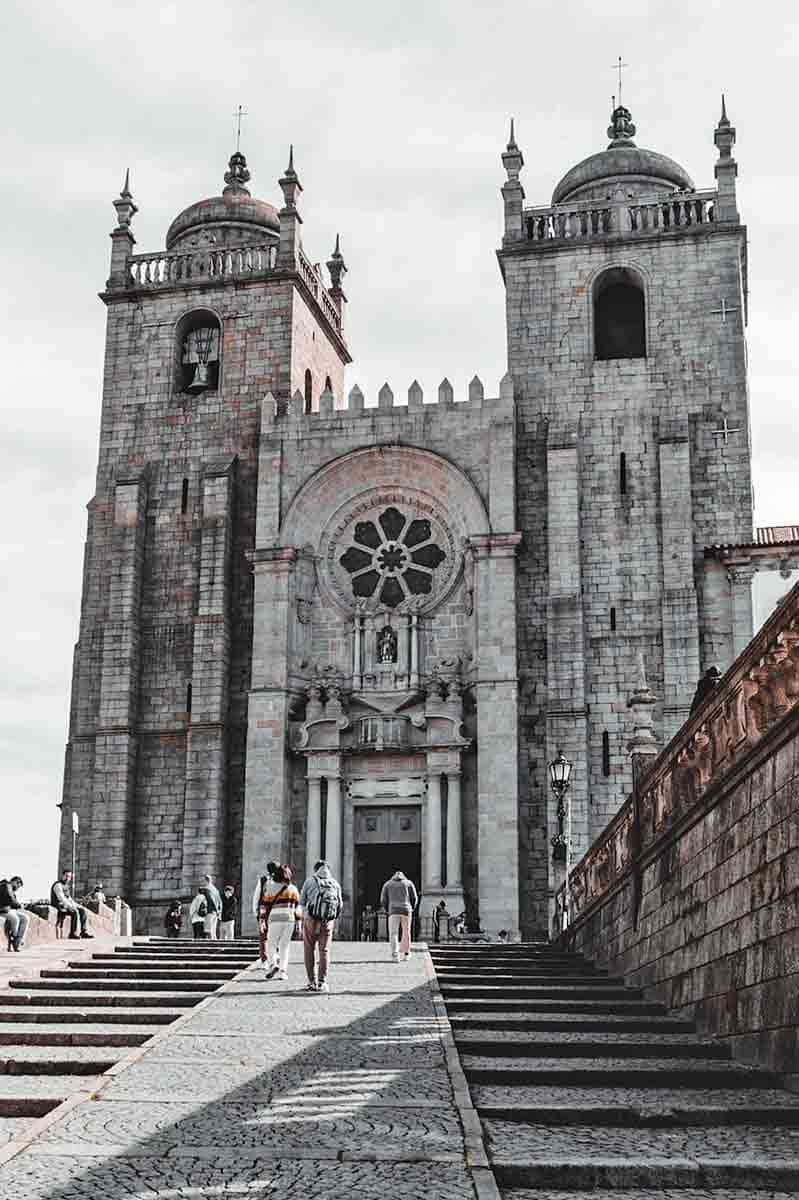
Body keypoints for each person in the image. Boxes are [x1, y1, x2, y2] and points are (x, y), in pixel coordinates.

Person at [299, 860, 342, 992]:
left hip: (311, 920)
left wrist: (303, 919)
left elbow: (302, 902)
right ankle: (322, 982)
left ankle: (312, 982)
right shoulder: (335, 883)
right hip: (327, 921)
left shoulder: (309, 881)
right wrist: (331, 919)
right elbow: (340, 905)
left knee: (309, 949)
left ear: (315, 870)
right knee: (324, 951)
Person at [258, 865, 301, 981]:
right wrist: (299, 923)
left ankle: (273, 964)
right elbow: (298, 908)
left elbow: (264, 905)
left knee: (271, 944)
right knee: (285, 946)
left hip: (275, 919)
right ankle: (283, 972)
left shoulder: (271, 887)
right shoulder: (293, 889)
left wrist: (262, 920)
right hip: (289, 919)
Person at [380, 870, 418, 962]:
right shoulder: (409, 883)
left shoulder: (387, 884)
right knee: (406, 932)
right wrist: (412, 908)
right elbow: (414, 898)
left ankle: (395, 955)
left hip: (393, 910)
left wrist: (388, 909)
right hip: (406, 910)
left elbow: (383, 900)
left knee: (393, 933)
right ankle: (406, 954)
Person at [50, 870, 93, 939]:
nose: (67, 878)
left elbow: (69, 899)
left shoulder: (66, 886)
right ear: (62, 876)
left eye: (69, 877)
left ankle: (83, 932)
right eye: (66, 876)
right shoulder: (57, 885)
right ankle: (72, 934)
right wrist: (71, 907)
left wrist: (78, 906)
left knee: (82, 910)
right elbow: (61, 898)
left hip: (65, 906)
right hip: (58, 906)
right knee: (74, 912)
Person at [252, 861, 279, 966]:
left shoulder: (263, 880)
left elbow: (257, 896)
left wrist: (255, 911)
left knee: (263, 936)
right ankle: (275, 955)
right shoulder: (281, 880)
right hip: (276, 911)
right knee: (275, 935)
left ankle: (265, 960)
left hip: (263, 911)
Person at [0, 876, 29, 952]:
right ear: (15, 882)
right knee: (15, 919)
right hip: (2, 910)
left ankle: (18, 941)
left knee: (25, 918)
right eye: (18, 886)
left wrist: (20, 905)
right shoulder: (6, 885)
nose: (17, 888)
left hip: (7, 909)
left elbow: (12, 902)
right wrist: (19, 905)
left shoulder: (10, 889)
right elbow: (10, 898)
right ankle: (15, 938)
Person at [202, 874, 222, 939]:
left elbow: (210, 900)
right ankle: (215, 945)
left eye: (204, 881)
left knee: (208, 929)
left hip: (209, 911)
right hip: (215, 913)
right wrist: (219, 911)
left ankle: (211, 945)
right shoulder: (215, 889)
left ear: (206, 881)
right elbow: (219, 901)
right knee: (213, 930)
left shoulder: (207, 889)